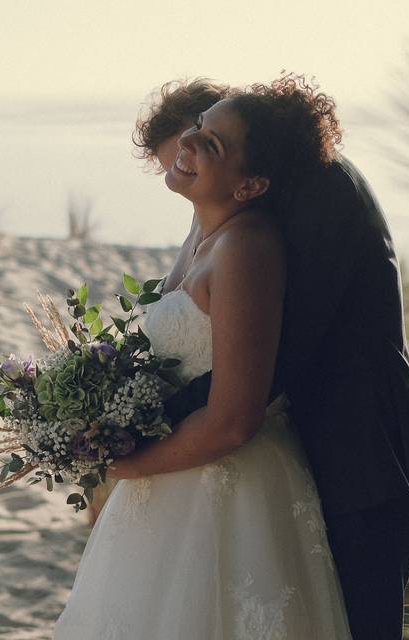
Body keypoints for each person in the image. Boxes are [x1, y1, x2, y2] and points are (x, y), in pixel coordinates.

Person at [53, 75, 353, 639]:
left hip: (226, 491)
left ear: (251, 184)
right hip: (173, 476)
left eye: (210, 144)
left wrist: (119, 464)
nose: (187, 144)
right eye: (197, 128)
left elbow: (235, 419)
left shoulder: (247, 250)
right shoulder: (207, 231)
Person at [139, 77, 409, 639]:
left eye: (200, 143)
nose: (185, 157)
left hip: (357, 460)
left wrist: (134, 427)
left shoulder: (317, 190)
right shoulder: (230, 202)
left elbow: (268, 363)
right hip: (277, 457)